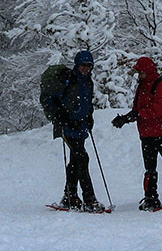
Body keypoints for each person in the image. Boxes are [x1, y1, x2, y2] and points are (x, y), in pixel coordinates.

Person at [112, 56, 162, 210]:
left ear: (148, 71)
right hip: (146, 135)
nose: (139, 75)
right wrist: (126, 118)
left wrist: (137, 115)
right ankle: (151, 198)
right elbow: (138, 109)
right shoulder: (142, 87)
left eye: (141, 72)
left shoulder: (161, 85)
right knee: (150, 169)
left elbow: (159, 109)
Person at [48, 50, 104, 212]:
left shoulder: (88, 81)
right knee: (82, 158)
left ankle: (69, 196)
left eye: (89, 66)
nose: (86, 69)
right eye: (83, 65)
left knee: (75, 161)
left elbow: (87, 101)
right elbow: (53, 100)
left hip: (80, 126)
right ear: (77, 64)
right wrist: (61, 116)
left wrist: (89, 116)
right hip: (68, 126)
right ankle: (89, 200)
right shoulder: (68, 80)